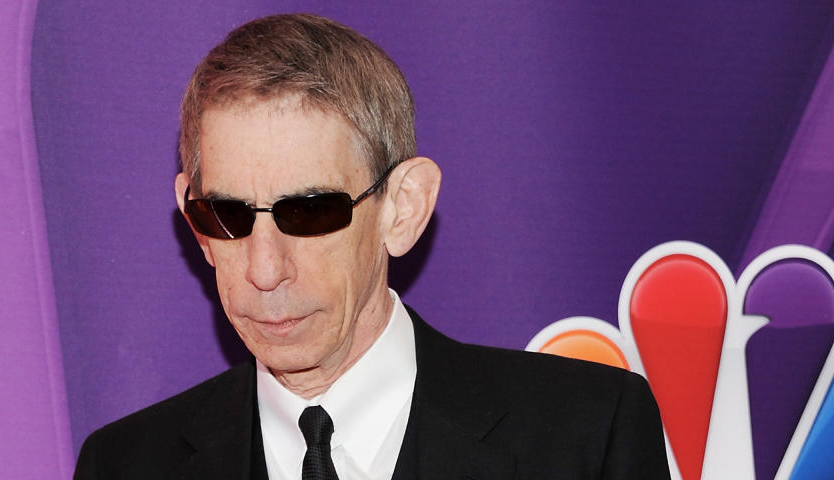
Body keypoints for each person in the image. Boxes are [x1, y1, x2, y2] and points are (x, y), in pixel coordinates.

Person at [73, 13, 670, 480]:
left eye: (309, 211)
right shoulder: (124, 467)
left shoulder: (584, 439)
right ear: (193, 221)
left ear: (403, 208)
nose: (264, 269)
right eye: (226, 215)